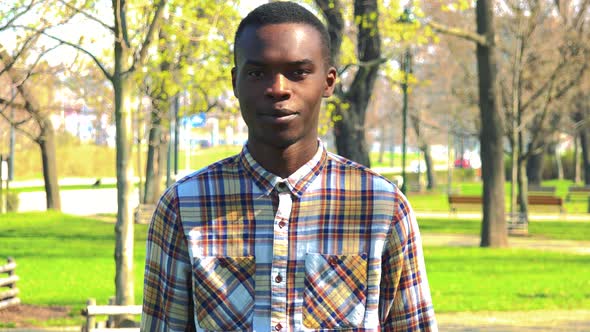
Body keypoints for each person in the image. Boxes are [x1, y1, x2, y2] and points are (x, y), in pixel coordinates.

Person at [141, 2, 437, 331]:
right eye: (257, 73)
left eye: (298, 73)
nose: (278, 89)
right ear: (235, 82)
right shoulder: (184, 206)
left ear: (328, 82)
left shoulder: (382, 208)